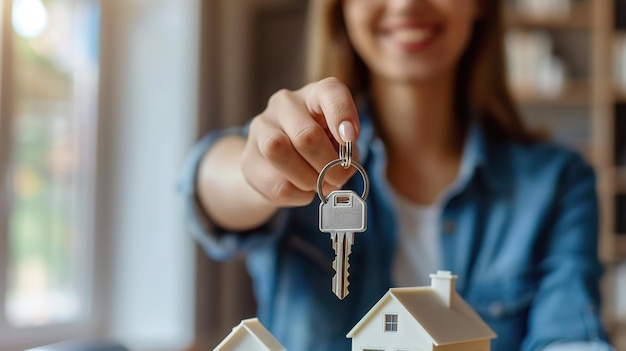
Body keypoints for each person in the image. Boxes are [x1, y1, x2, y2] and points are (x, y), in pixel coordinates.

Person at [178, 0, 615, 350]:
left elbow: (568, 335)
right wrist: (258, 174)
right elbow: (208, 182)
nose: (406, 4)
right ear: (341, 7)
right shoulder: (304, 153)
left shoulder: (558, 180)